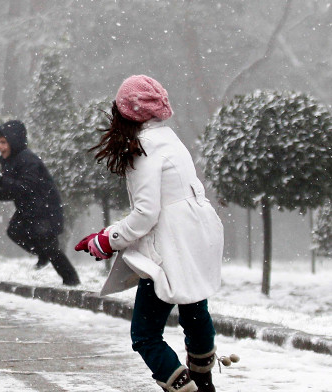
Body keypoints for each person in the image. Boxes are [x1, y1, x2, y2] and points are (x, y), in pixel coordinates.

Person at [75, 75, 223, 392]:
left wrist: (106, 240)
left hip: (167, 249)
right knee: (195, 314)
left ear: (125, 112)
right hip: (196, 239)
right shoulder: (170, 139)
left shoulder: (143, 148)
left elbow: (146, 214)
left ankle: (185, 387)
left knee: (145, 334)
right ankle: (203, 381)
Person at [0, 120, 81, 286]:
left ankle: (71, 280)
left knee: (50, 246)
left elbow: (27, 187)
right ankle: (43, 255)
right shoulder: (11, 161)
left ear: (14, 141)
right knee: (14, 231)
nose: (0, 147)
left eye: (3, 142)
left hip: (45, 209)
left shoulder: (28, 160)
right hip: (29, 209)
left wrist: (1, 181)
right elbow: (14, 190)